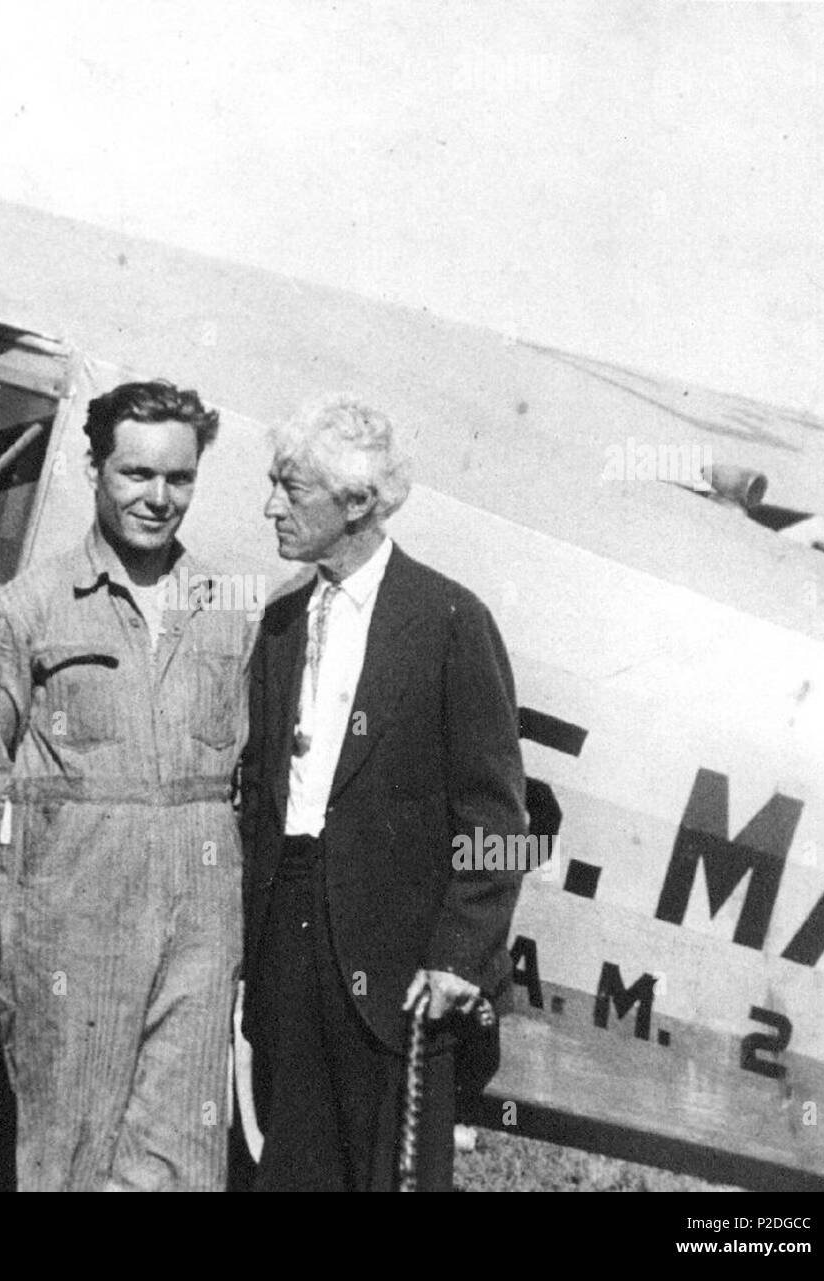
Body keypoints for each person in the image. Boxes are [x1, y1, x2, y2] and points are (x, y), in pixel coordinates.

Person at [0, 380, 253, 1191]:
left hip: (201, 923)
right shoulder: (26, 612)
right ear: (94, 468)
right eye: (136, 474)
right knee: (73, 1142)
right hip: (75, 917)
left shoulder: (229, 609)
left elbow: (248, 771)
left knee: (180, 1152)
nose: (159, 498)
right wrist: (58, 866)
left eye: (179, 478)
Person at [238, 395, 528, 1192]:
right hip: (285, 945)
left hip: (399, 971)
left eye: (291, 490)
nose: (270, 507)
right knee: (285, 1173)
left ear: (358, 502)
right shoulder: (282, 620)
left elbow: (501, 817)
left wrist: (460, 957)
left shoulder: (450, 620)